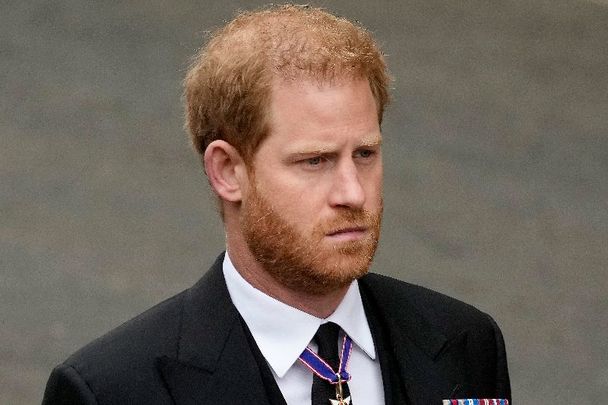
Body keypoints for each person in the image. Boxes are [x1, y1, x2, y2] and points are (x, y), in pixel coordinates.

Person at [42, 5, 511, 405]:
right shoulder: (113, 391)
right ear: (227, 171)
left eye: (365, 154)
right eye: (315, 161)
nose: (353, 192)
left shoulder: (465, 344)